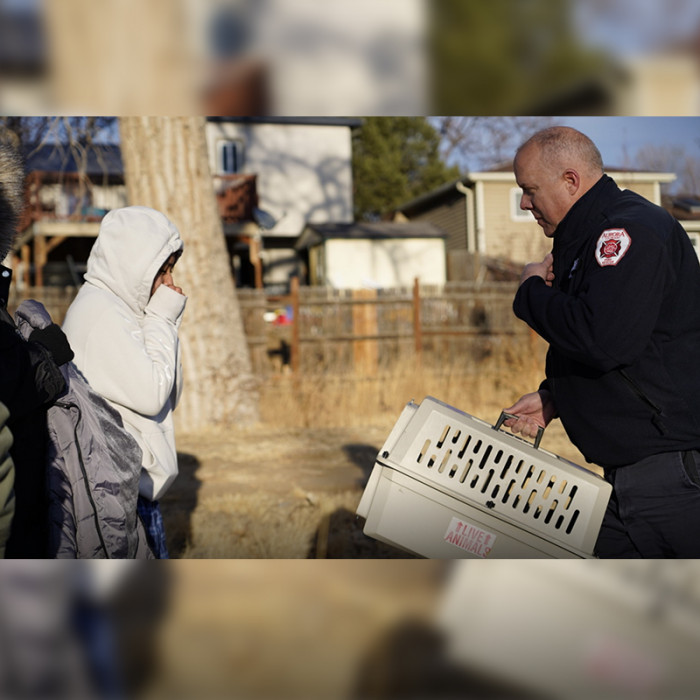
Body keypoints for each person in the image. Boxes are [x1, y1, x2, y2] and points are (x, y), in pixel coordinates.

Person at [503, 125, 700, 558]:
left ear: (570, 181)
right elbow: (630, 345)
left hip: (671, 475)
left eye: (530, 190)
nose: (524, 203)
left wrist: (530, 293)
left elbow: (603, 340)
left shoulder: (628, 232)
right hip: (630, 478)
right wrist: (556, 396)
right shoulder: (587, 239)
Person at [63, 206, 187, 559]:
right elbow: (152, 395)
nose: (167, 282)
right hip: (122, 497)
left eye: (170, 270)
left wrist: (162, 321)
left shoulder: (125, 310)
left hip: (135, 491)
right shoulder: (101, 313)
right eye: (159, 272)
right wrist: (162, 317)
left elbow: (170, 394)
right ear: (133, 264)